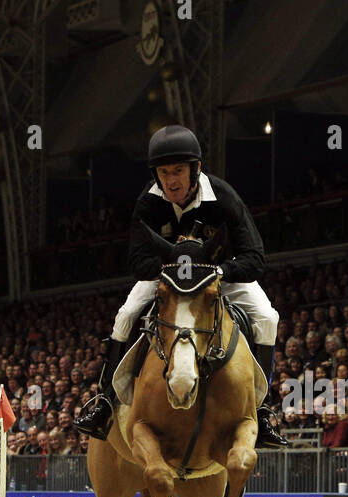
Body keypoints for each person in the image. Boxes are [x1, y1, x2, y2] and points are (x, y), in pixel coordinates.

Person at [74, 125, 287, 449]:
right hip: (168, 279)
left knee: (267, 318)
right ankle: (103, 402)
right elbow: (136, 261)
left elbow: (254, 257)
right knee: (126, 314)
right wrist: (171, 272)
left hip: (219, 276)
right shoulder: (149, 202)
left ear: (195, 169)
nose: (171, 180)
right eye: (164, 172)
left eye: (178, 171)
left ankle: (260, 408)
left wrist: (217, 270)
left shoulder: (223, 197)